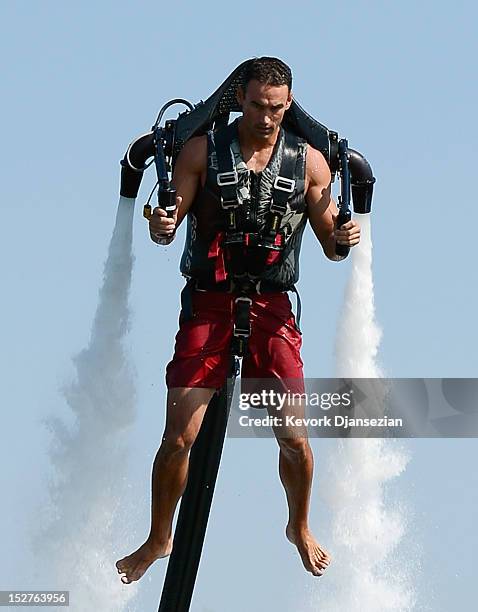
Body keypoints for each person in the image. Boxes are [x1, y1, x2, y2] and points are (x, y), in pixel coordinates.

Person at [116, 57, 360, 584]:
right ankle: (160, 537)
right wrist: (161, 221)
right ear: (240, 102)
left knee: (294, 437)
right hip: (209, 303)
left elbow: (329, 246)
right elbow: (170, 219)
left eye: (276, 108)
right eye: (256, 106)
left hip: (272, 308)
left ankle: (299, 526)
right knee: (178, 436)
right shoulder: (202, 151)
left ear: (287, 105)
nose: (267, 117)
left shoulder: (311, 163)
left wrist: (342, 240)